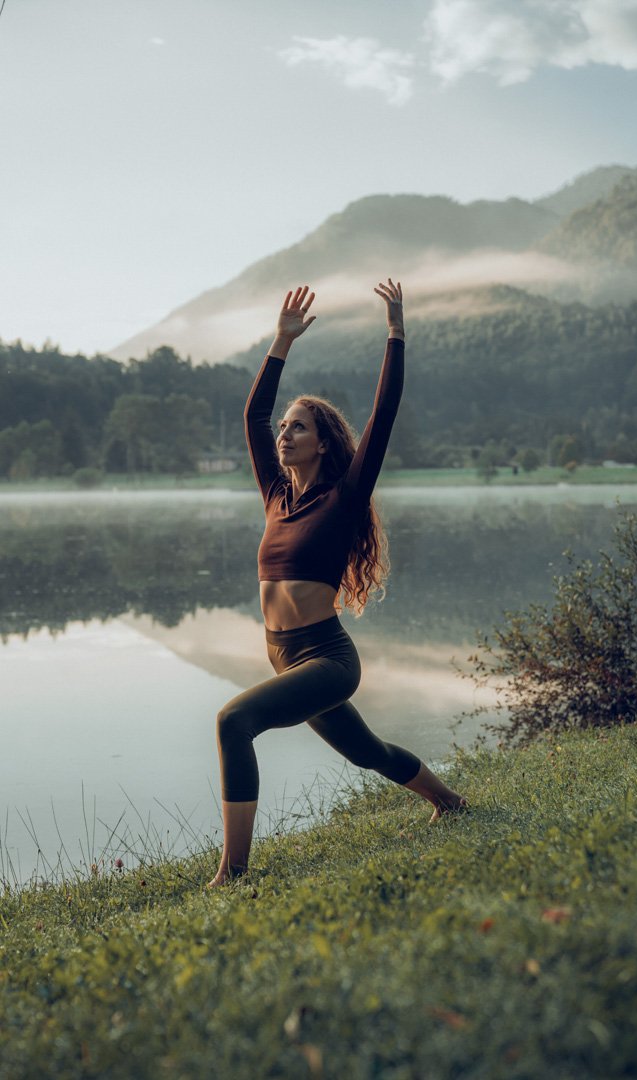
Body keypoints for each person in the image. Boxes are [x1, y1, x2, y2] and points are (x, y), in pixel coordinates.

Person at [207, 280, 467, 887]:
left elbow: (386, 411)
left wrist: (396, 330)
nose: (284, 435)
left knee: (231, 722)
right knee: (367, 752)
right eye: (285, 430)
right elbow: (254, 415)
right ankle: (449, 801)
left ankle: (233, 872)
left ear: (322, 442)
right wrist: (281, 342)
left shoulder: (345, 496)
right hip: (283, 654)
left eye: (298, 428)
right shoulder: (276, 496)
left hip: (326, 656)